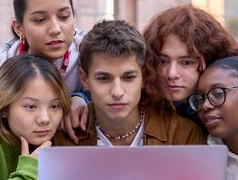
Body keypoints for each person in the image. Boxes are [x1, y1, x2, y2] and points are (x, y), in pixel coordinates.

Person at [142, 4, 238, 140]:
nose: (172, 74)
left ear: (213, 59)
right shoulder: (143, 105)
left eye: (186, 62)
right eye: (163, 61)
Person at [0, 0, 86, 143]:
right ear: (19, 27)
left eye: (64, 16)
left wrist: (82, 97)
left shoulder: (90, 54)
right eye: (40, 20)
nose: (56, 29)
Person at [54, 19, 206, 147]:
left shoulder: (184, 135)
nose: (117, 92)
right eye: (103, 78)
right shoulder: (63, 138)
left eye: (128, 77)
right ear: (85, 79)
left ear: (144, 76)